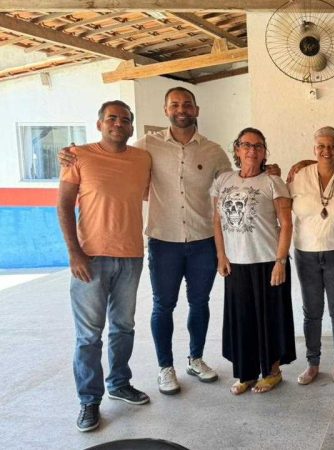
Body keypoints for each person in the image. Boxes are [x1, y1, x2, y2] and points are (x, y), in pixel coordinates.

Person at [60, 87, 231, 395]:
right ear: (165, 110)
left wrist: (266, 170)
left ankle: (196, 358)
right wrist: (70, 153)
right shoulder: (146, 146)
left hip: (202, 240)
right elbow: (112, 153)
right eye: (174, 104)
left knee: (199, 303)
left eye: (187, 104)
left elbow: (233, 185)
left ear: (197, 110)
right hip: (163, 242)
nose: (181, 109)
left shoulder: (214, 150)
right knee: (162, 305)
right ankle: (165, 367)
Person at [57, 100, 152, 432]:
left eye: (125, 120)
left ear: (131, 126)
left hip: (131, 256)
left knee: (123, 327)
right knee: (88, 336)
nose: (118, 124)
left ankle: (119, 383)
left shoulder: (142, 159)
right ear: (99, 124)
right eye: (112, 118)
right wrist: (74, 252)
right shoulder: (78, 156)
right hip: (91, 259)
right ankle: (88, 400)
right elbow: (64, 205)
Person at [212, 127, 296, 395]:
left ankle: (272, 372)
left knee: (269, 319)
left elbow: (286, 224)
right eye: (246, 145)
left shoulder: (273, 182)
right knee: (242, 319)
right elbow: (217, 221)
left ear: (264, 152)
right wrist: (221, 255)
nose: (252, 150)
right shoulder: (223, 180)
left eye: (258, 146)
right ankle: (246, 373)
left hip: (267, 262)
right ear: (237, 149)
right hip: (236, 263)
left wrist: (280, 260)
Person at [289, 126, 334, 385]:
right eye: (321, 146)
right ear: (314, 149)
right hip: (306, 254)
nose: (326, 151)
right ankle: (313, 362)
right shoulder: (299, 176)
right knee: (312, 311)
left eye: (332, 146)